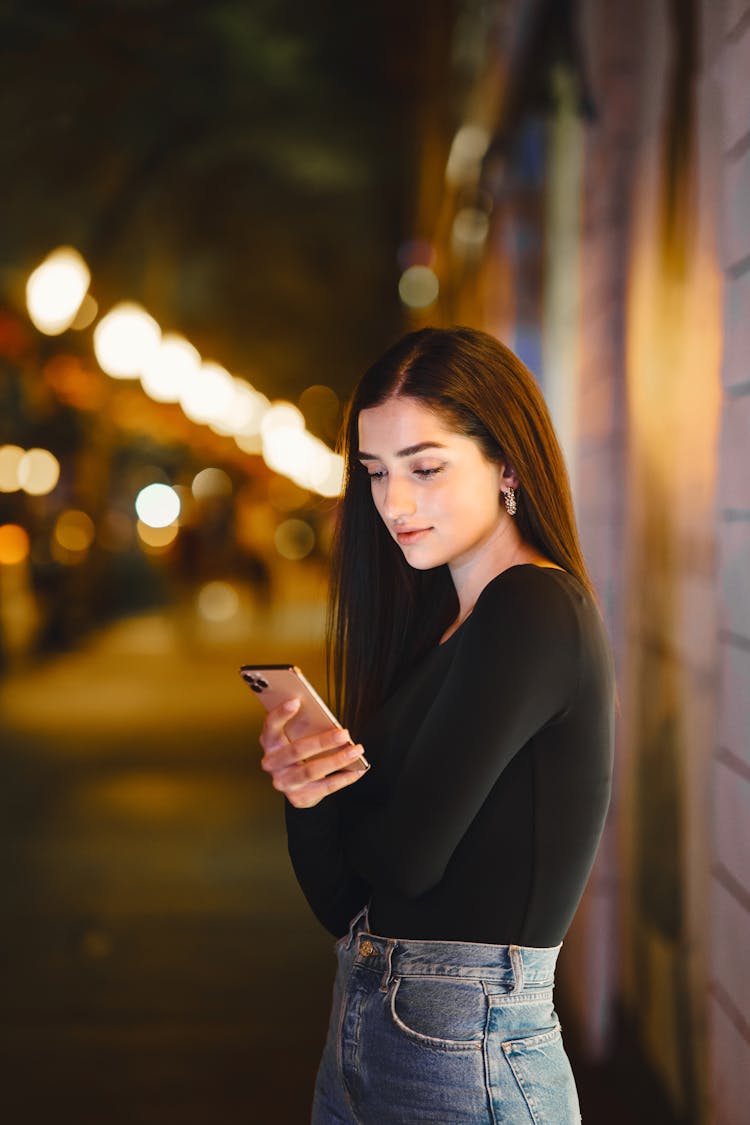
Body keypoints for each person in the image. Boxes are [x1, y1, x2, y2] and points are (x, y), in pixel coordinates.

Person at [259, 326, 614, 1124]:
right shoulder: (441, 626)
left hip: (466, 1050)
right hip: (371, 1025)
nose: (394, 503)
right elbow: (346, 902)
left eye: (425, 467)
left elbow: (407, 859)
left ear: (508, 464)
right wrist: (307, 788)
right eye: (376, 473)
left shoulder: (533, 608)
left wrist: (344, 797)